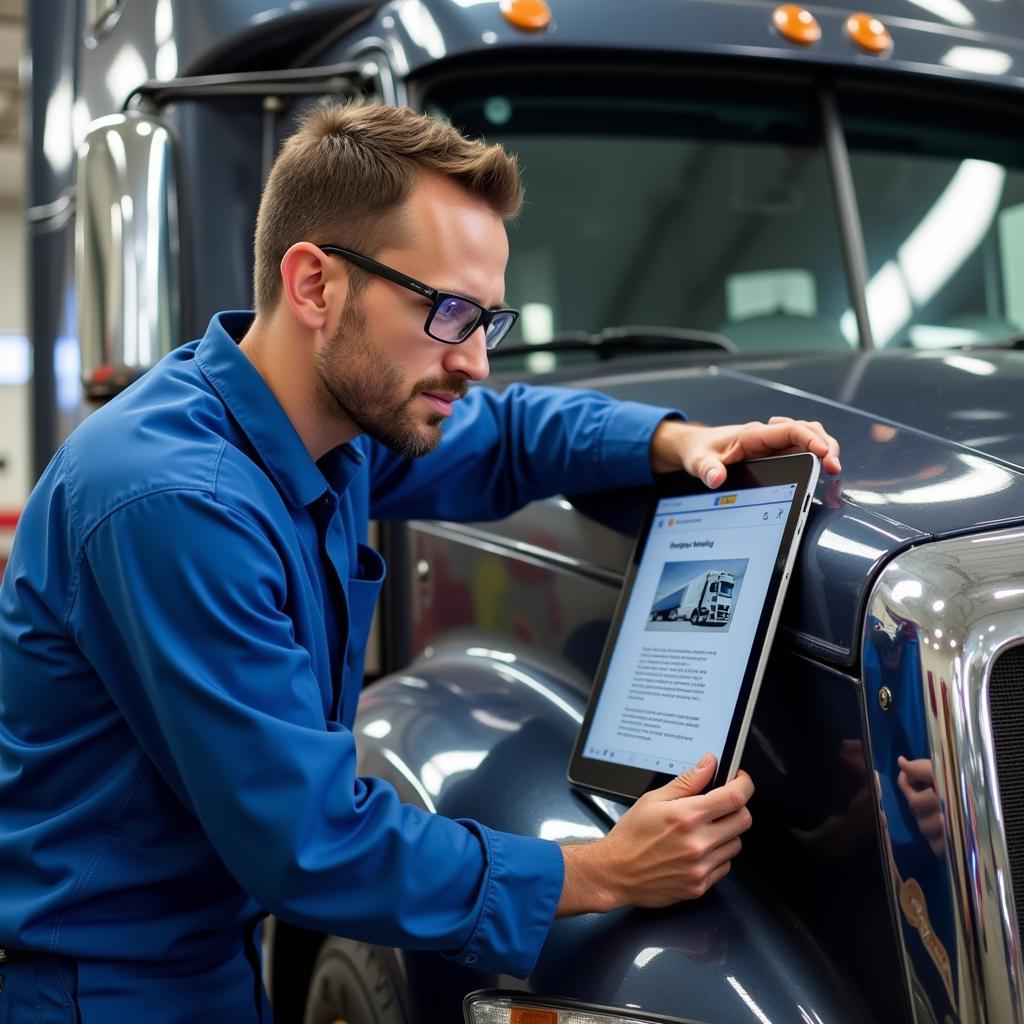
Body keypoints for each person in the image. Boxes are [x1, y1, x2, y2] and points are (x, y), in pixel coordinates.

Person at [0, 102, 842, 1022]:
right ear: (316, 284)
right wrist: (599, 870)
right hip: (94, 984)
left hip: (200, 949)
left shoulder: (324, 423)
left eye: (488, 319)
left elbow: (510, 434)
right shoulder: (177, 499)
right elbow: (307, 844)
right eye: (447, 312)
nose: (475, 361)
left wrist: (678, 441)